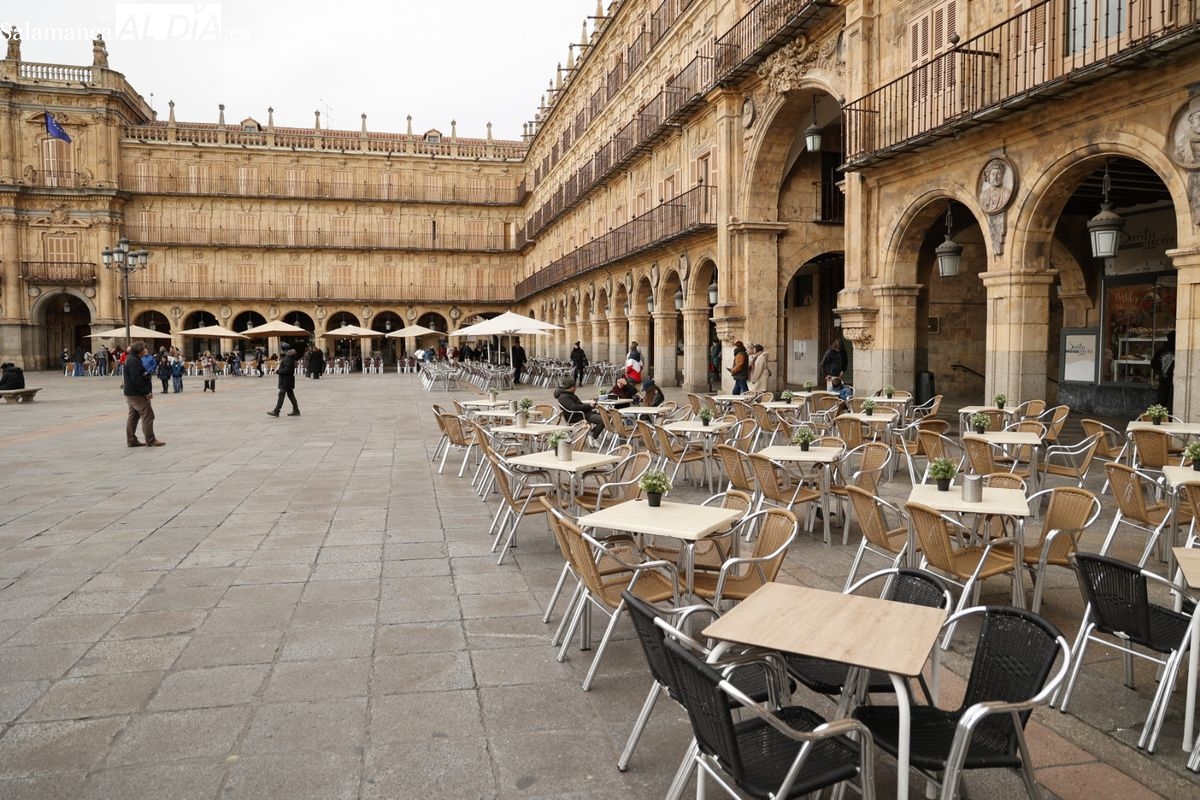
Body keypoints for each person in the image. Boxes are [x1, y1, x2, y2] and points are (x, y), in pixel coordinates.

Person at [123, 342, 164, 447]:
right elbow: (136, 379)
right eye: (144, 349)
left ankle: (131, 440)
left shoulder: (132, 359)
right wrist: (146, 392)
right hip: (136, 394)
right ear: (140, 351)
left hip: (131, 393)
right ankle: (150, 439)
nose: (146, 350)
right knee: (148, 414)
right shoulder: (133, 361)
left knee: (133, 415)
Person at [554, 376, 605, 446]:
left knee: (605, 416)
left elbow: (578, 405)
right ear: (571, 387)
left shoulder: (566, 395)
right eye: (575, 387)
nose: (576, 389)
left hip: (581, 414)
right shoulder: (564, 397)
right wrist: (589, 406)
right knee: (604, 420)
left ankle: (593, 435)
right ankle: (592, 435)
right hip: (579, 416)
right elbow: (574, 407)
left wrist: (589, 405)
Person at [267, 347, 300, 417]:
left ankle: (276, 411)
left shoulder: (287, 358)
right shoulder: (289, 357)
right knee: (291, 395)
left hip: (286, 380)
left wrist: (278, 371)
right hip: (288, 379)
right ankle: (296, 410)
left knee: (281, 394)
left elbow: (287, 369)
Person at [1151, 331, 1176, 410]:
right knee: (1172, 402)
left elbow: (1154, 364)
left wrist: (1161, 370)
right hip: (1174, 380)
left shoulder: (1161, 350)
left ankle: (1160, 418)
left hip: (1163, 379)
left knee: (1162, 400)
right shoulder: (1177, 350)